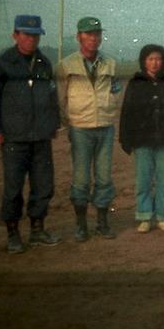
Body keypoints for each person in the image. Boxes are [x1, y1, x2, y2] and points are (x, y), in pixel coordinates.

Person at [0, 15, 61, 253]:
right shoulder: (2, 64)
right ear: (15, 35)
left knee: (44, 185)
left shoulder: (44, 63)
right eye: (26, 34)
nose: (31, 39)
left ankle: (37, 230)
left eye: (35, 35)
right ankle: (12, 234)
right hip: (14, 137)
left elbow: (52, 97)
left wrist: (54, 124)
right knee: (13, 187)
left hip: (41, 135)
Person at [57, 16, 122, 241]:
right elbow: (60, 98)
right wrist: (70, 122)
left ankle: (102, 223)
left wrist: (110, 108)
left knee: (104, 177)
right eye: (88, 34)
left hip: (105, 127)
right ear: (79, 37)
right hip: (80, 128)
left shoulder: (110, 64)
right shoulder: (67, 65)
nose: (93, 39)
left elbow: (115, 91)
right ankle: (81, 225)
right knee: (81, 178)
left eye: (97, 34)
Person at [119, 44, 164, 233]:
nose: (155, 63)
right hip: (142, 140)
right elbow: (126, 112)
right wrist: (126, 138)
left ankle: (163, 216)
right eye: (151, 59)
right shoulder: (135, 83)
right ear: (144, 61)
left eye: (158, 59)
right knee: (143, 179)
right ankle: (144, 216)